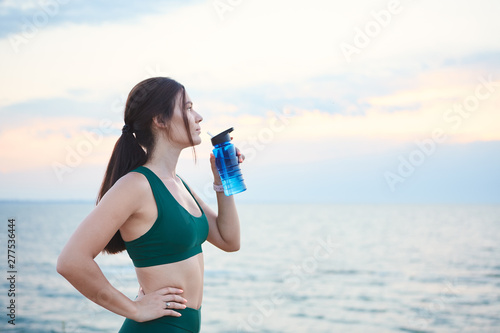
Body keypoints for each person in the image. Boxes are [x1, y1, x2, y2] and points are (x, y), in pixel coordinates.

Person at [57, 77, 242, 333]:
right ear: (160, 120)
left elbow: (229, 240)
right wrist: (135, 309)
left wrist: (222, 181)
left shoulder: (178, 184)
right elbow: (71, 261)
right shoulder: (136, 185)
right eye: (187, 108)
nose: (198, 117)